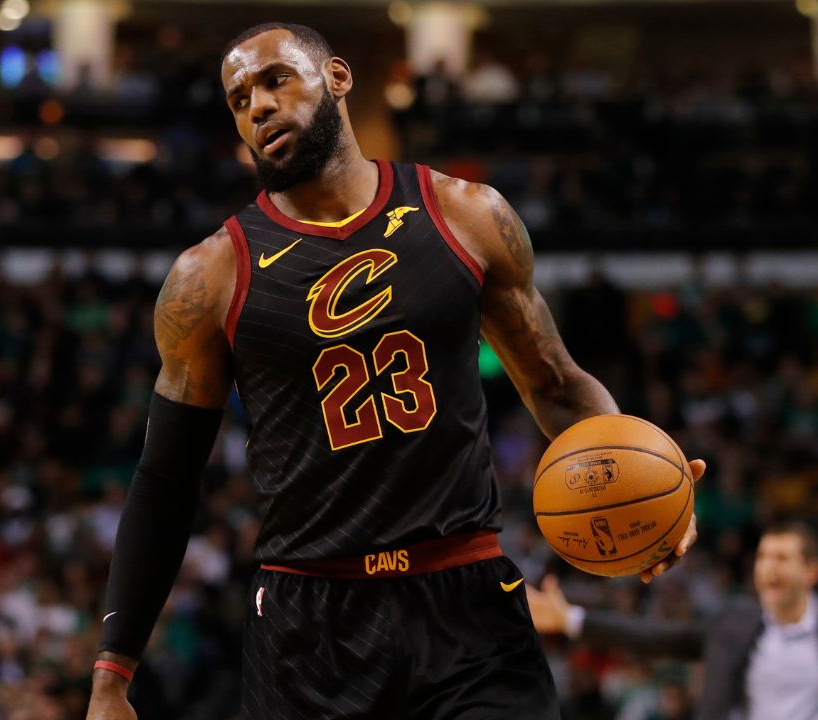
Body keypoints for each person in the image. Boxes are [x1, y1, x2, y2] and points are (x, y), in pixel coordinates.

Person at [84, 22, 704, 720]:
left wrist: (646, 485)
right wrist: (112, 673)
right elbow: (166, 479)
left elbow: (555, 385)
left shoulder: (466, 214)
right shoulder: (210, 276)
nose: (258, 106)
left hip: (468, 601)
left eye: (276, 79)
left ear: (338, 78)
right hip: (311, 621)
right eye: (239, 98)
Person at [528, 522, 818, 719]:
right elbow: (656, 637)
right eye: (763, 558)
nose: (768, 568)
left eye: (782, 558)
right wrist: (572, 619)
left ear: (811, 571)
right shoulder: (732, 627)